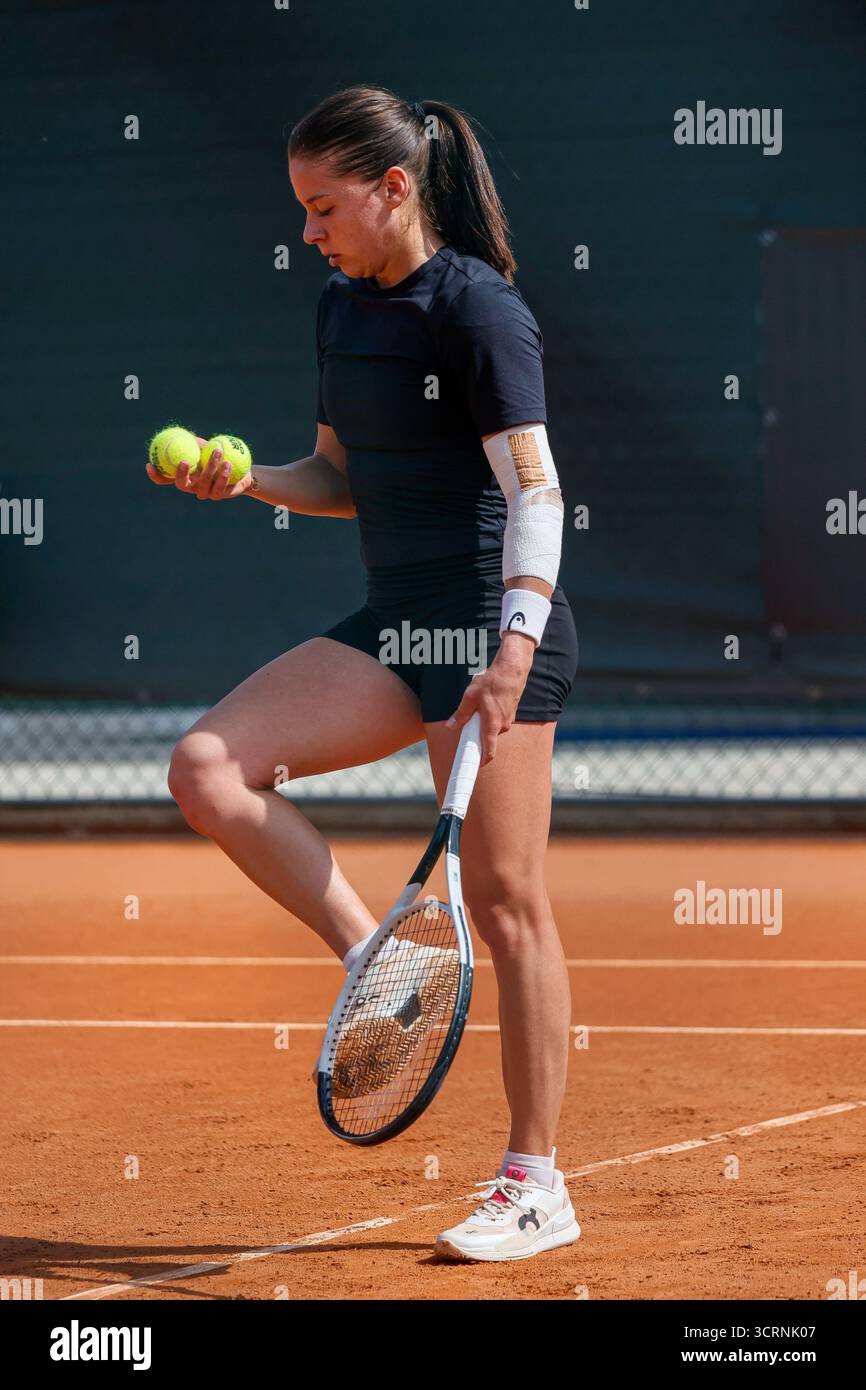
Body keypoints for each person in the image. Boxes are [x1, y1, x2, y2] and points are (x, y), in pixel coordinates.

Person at [146, 84, 580, 1263]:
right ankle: (376, 960)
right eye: (300, 210)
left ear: (395, 188)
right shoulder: (343, 309)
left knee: (502, 900)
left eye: (323, 206)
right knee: (207, 769)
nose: (308, 232)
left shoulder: (479, 312)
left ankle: (534, 1182)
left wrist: (513, 649)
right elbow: (339, 474)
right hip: (395, 623)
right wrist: (245, 480)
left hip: (488, 626)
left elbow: (534, 490)